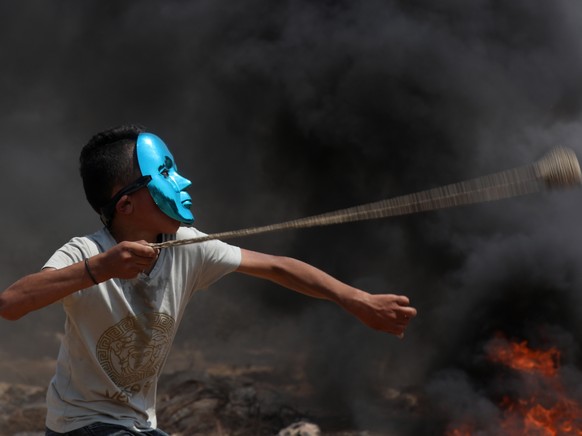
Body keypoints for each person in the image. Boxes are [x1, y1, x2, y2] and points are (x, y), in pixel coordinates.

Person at [0, 124, 417, 435]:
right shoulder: (85, 253)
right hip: (81, 425)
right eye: (165, 172)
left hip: (139, 426)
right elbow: (12, 303)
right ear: (126, 203)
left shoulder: (187, 245)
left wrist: (357, 300)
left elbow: (277, 266)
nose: (183, 182)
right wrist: (100, 269)